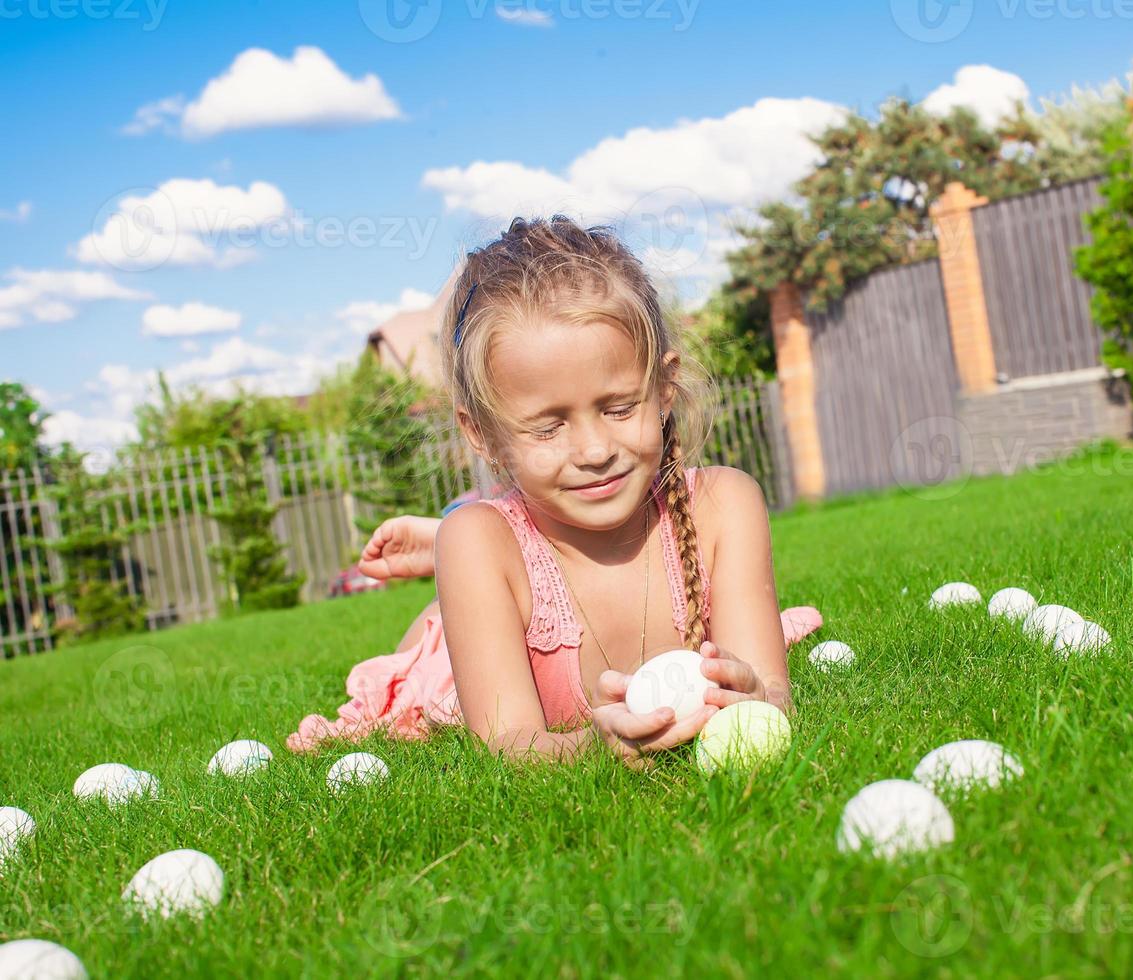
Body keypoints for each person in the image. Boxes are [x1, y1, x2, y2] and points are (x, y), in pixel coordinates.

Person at [287, 215, 823, 767]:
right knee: (440, 632)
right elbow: (508, 741)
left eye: (619, 409)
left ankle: (455, 544)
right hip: (478, 602)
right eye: (548, 428)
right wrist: (598, 745)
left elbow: (769, 693)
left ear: (664, 390)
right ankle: (455, 556)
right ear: (482, 434)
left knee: (473, 544)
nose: (594, 450)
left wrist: (755, 697)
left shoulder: (722, 507)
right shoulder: (479, 545)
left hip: (498, 553)